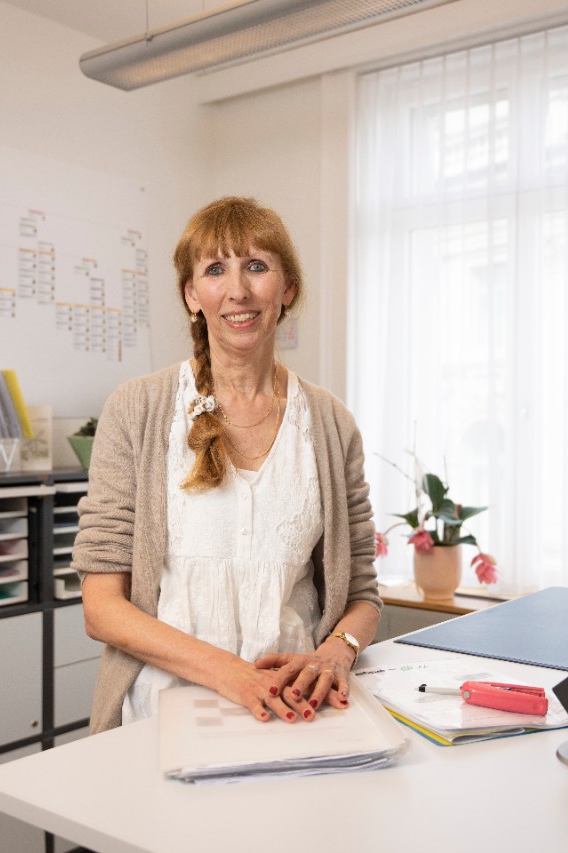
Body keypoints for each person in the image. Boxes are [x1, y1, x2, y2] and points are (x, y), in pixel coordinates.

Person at [72, 196, 382, 734]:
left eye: (256, 266)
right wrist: (233, 676)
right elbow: (102, 609)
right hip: (159, 717)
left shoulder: (331, 423)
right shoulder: (138, 409)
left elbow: (362, 594)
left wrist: (338, 650)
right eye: (215, 270)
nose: (238, 290)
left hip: (297, 714)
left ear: (287, 289)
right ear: (192, 295)